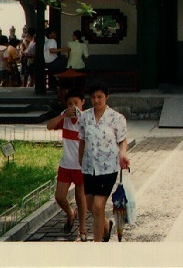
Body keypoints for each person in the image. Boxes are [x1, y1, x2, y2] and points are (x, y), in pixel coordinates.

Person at [78, 80, 130, 242]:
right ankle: (106, 226)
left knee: (99, 206)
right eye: (93, 97)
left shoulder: (116, 118)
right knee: (92, 206)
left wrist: (123, 154)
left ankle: (97, 245)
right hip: (89, 168)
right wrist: (80, 162)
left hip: (108, 168)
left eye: (100, 97)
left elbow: (122, 140)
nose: (96, 100)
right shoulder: (84, 117)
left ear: (106, 97)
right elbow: (82, 141)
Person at [46, 88, 88, 241]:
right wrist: (64, 115)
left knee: (80, 198)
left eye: (76, 103)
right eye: (70, 104)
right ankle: (71, 214)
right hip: (65, 164)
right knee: (59, 197)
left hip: (81, 166)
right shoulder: (65, 117)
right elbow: (49, 126)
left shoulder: (86, 119)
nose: (73, 107)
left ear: (82, 102)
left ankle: (82, 228)